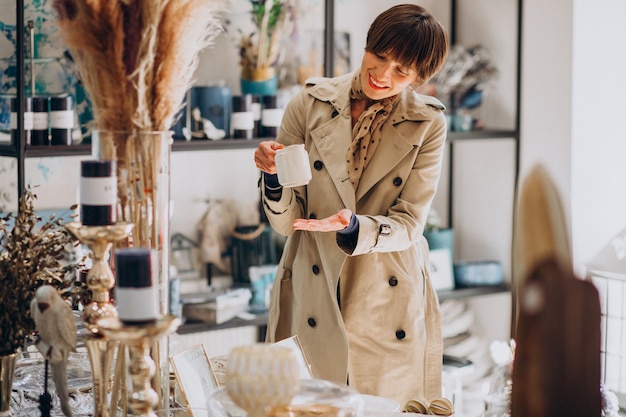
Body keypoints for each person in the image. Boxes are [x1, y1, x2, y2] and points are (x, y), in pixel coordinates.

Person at [254, 4, 449, 406]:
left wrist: (354, 227)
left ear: (419, 78)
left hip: (385, 291)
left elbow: (410, 221)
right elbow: (287, 221)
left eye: (401, 71)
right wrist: (272, 177)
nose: (383, 75)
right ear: (367, 45)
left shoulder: (428, 124)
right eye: (379, 57)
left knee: (380, 407)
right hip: (313, 275)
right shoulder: (308, 105)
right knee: (307, 407)